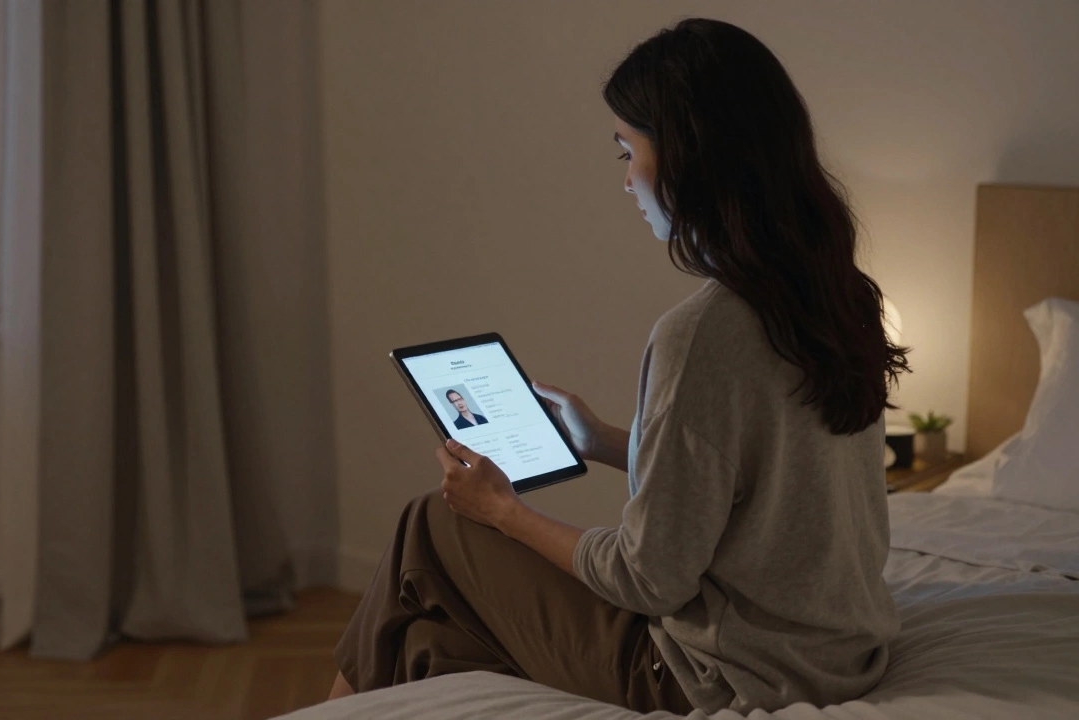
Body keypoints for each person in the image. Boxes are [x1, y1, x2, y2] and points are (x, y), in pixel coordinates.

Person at [327, 18, 907, 715]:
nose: (627, 178)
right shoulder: (841, 295)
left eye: (628, 149)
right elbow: (768, 491)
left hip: (725, 674)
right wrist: (603, 440)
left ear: (691, 157)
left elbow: (648, 578)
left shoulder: (701, 335)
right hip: (837, 657)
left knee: (434, 523)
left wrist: (504, 512)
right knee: (424, 640)